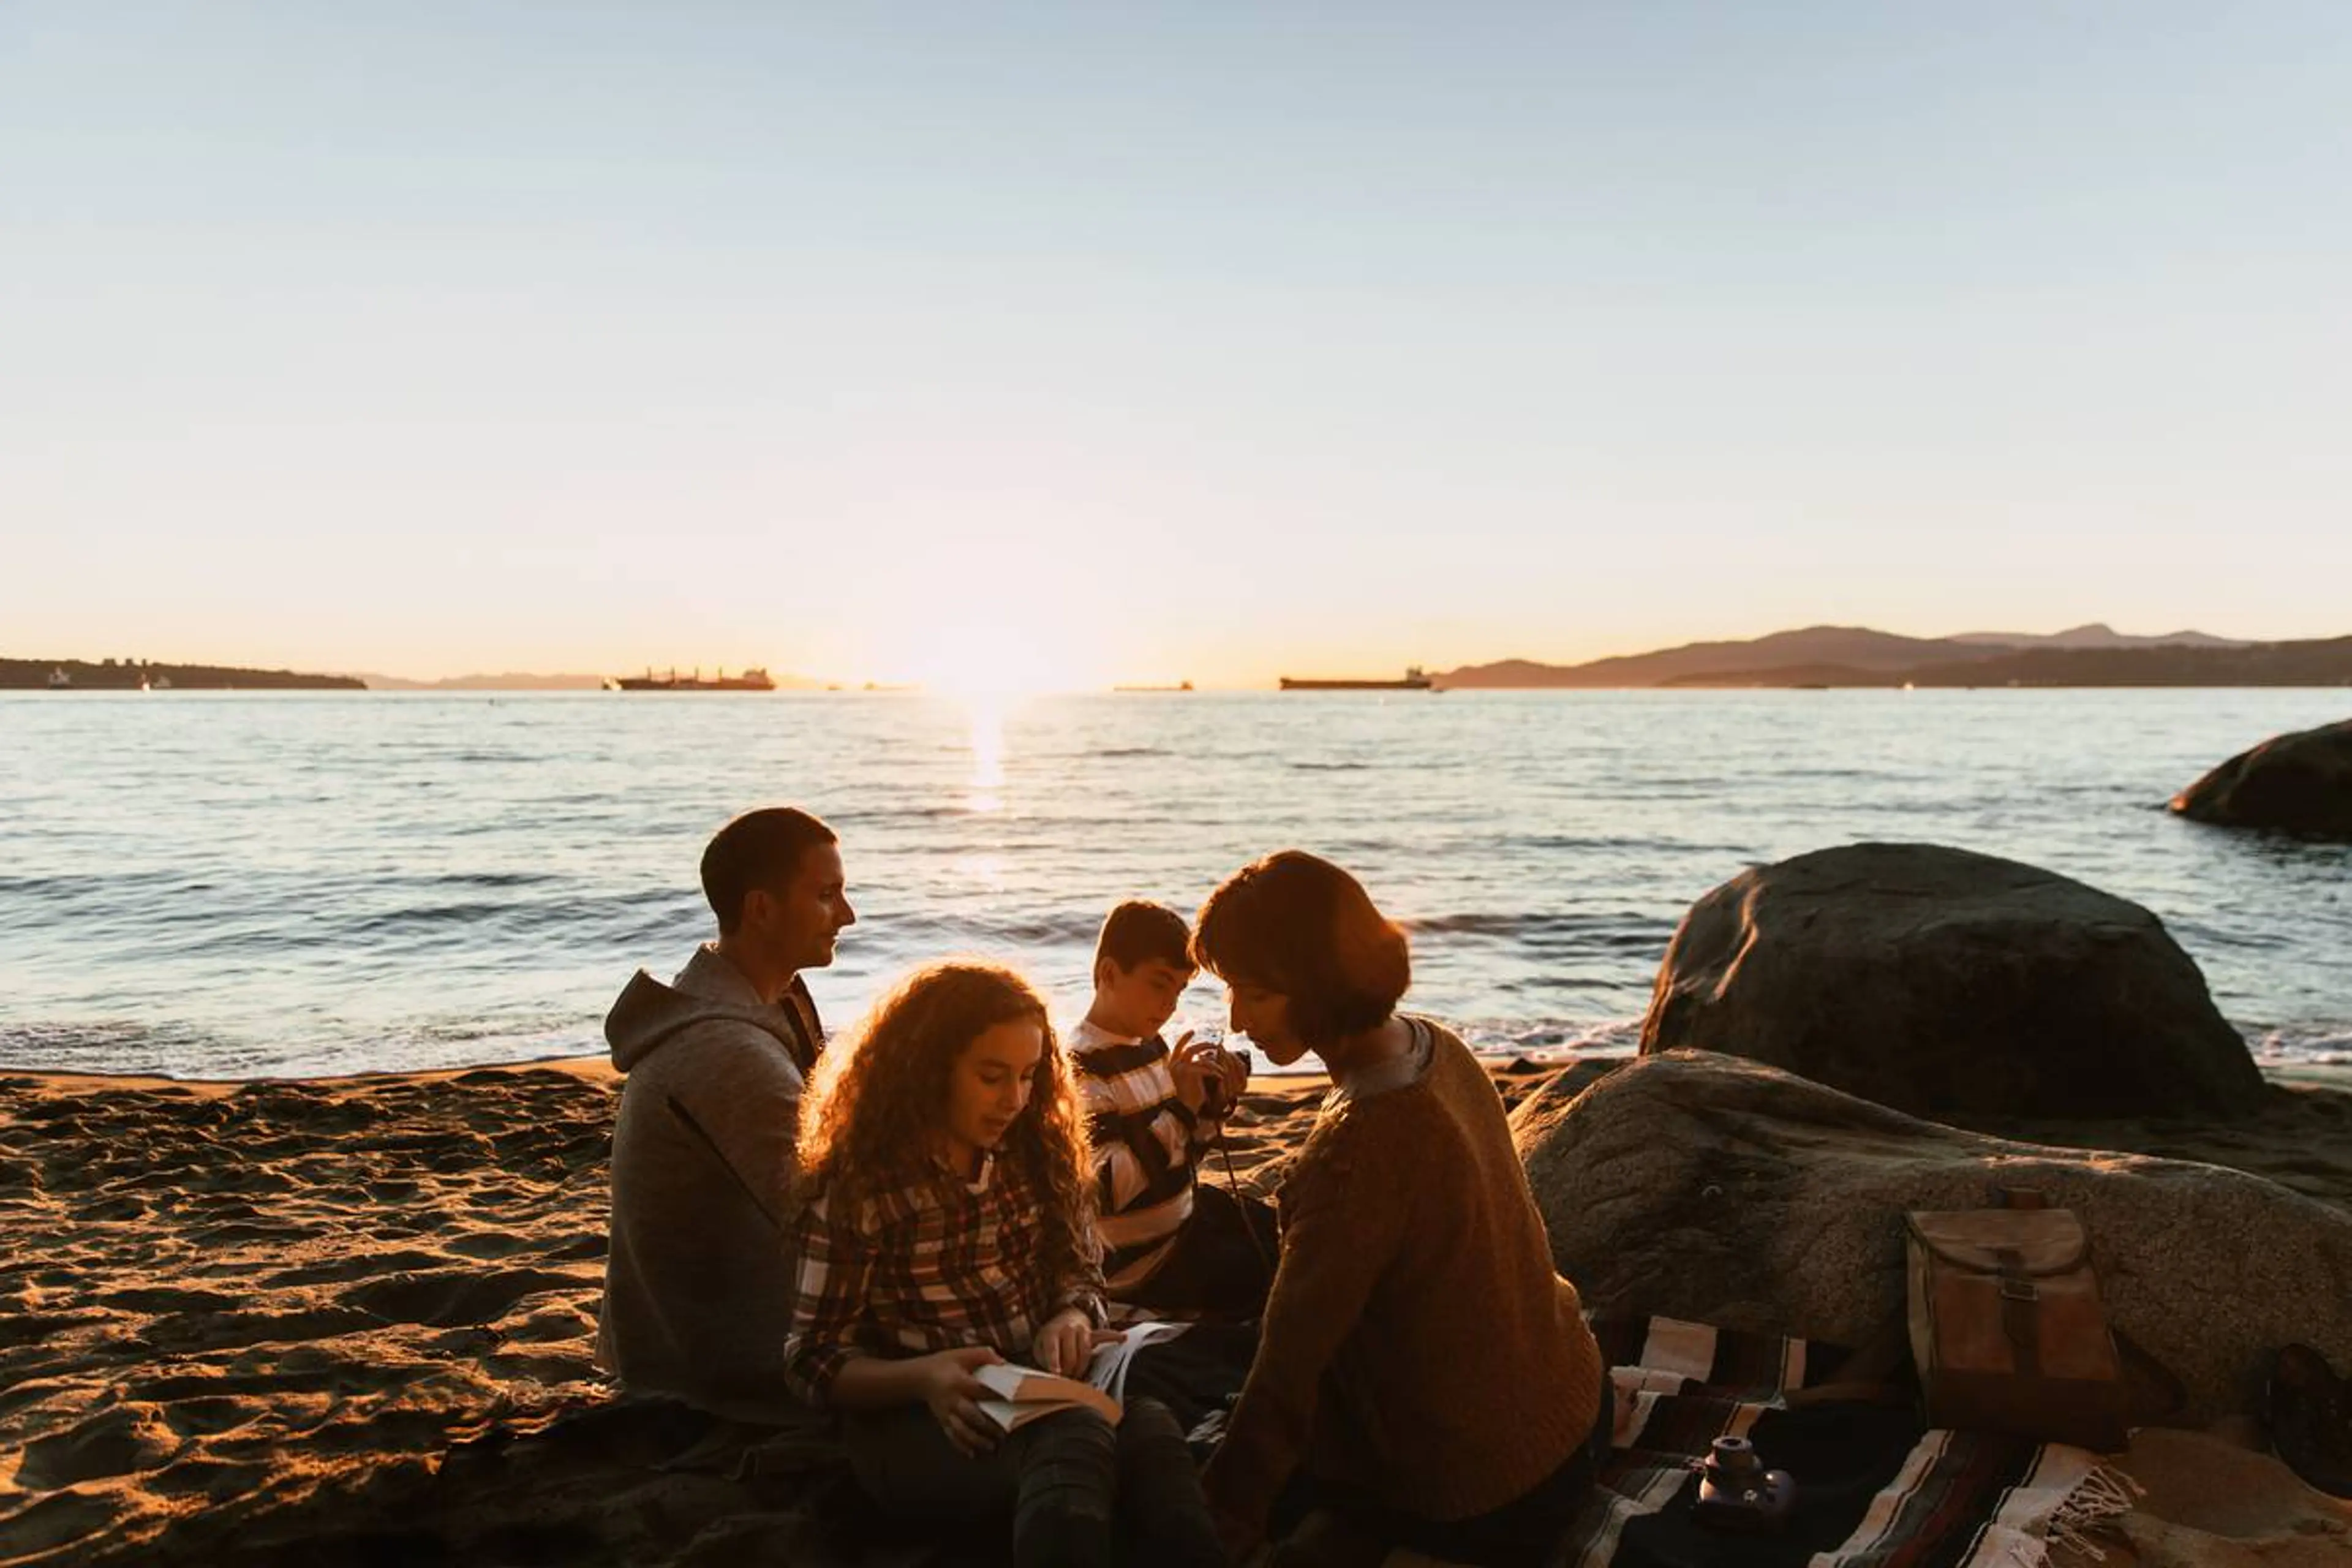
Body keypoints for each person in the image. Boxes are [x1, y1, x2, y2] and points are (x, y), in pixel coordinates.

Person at [1192, 851, 1611, 1567]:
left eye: (1254, 994)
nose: (1235, 1021)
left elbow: (1286, 1378)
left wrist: (1218, 1520)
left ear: (1315, 984)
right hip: (1575, 1401)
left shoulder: (1356, 1151)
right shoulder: (1434, 1043)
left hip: (1486, 1489)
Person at [784, 962, 1225, 1568]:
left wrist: (1070, 1315)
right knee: (1076, 1436)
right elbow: (811, 1360)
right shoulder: (860, 1189)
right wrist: (926, 1376)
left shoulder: (1031, 1152)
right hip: (918, 1420)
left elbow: (1078, 1269)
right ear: (926, 1068)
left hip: (1035, 1388)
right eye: (992, 1077)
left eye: (1028, 1076)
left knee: (1149, 1427)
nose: (1015, 1100)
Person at [594, 805, 854, 1417]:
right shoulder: (726, 1051)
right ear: (761, 909)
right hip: (708, 1367)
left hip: (707, 1328)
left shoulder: (761, 999)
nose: (847, 915)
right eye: (826, 895)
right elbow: (839, 1214)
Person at [1069, 900, 1275, 1317]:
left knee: (1281, 1236)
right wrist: (1181, 1108)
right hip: (1142, 1269)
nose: (1169, 1005)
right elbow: (1107, 1189)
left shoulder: (1153, 1047)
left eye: (1179, 991)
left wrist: (1208, 1108)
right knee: (1263, 1279)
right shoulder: (1082, 1066)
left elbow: (1181, 1159)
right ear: (1109, 974)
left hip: (1184, 1228)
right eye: (1158, 984)